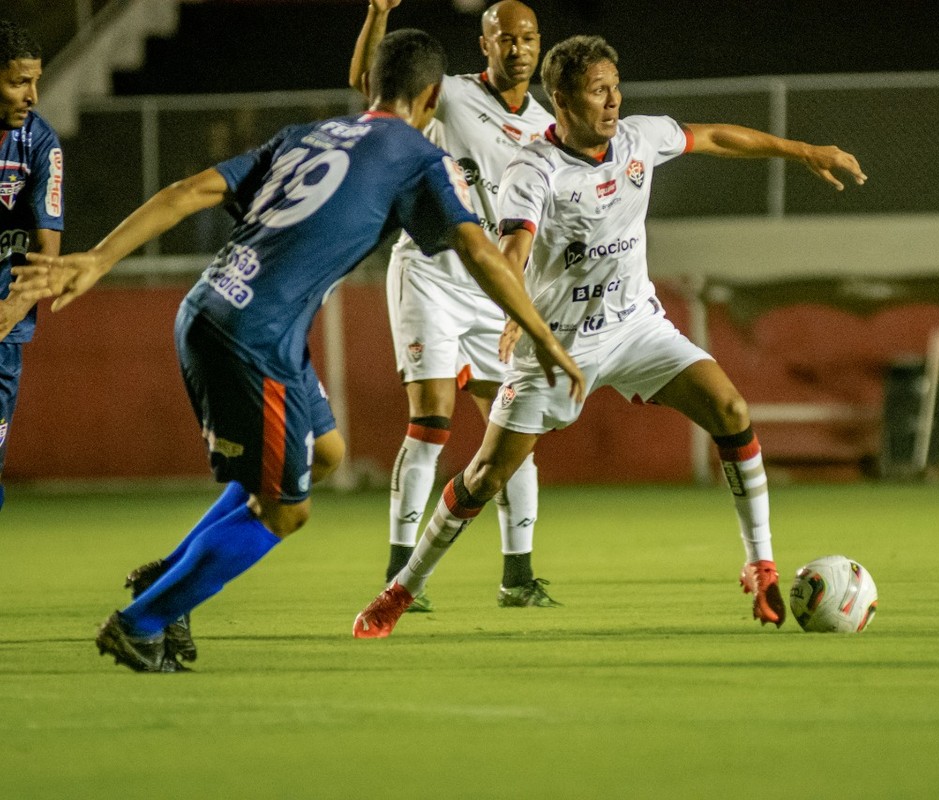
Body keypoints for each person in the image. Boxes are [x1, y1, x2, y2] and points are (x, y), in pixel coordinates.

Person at [15, 29, 583, 673]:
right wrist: (543, 337)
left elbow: (188, 191)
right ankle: (142, 620)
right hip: (251, 336)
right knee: (286, 511)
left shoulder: (305, 135)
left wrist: (97, 258)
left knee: (328, 453)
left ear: (370, 86)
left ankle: (170, 575)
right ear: (431, 98)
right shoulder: (414, 156)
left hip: (214, 308)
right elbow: (482, 250)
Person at [351, 34, 867, 638]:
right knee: (485, 476)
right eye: (599, 91)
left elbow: (717, 136)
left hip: (637, 326)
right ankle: (400, 591)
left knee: (730, 408)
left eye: (616, 87)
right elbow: (513, 248)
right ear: (563, 101)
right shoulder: (534, 169)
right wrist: (517, 311)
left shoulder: (638, 139)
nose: (614, 100)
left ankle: (760, 562)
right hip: (561, 344)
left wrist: (803, 150)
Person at [348, 0, 561, 610]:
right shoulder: (451, 95)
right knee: (432, 420)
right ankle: (399, 573)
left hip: (492, 286)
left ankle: (517, 577)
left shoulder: (547, 127)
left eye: (527, 38)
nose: (517, 48)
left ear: (538, 44)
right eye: (505, 38)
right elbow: (373, 88)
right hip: (431, 270)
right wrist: (378, 15)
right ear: (484, 44)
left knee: (514, 428)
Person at [0, 19, 62, 512]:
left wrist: (11, 309)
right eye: (19, 81)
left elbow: (48, 253)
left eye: (35, 81)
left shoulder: (41, 144)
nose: (33, 95)